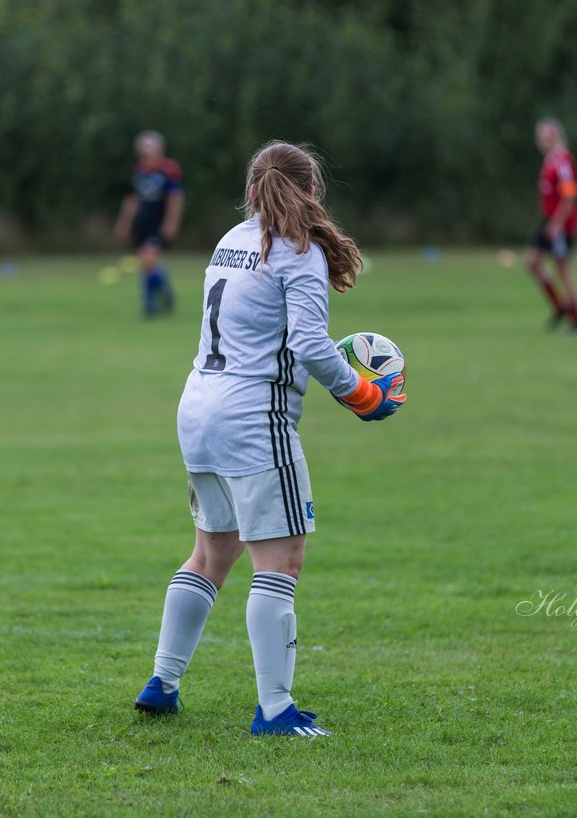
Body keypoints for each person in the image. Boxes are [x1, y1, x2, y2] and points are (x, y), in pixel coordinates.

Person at [132, 141, 406, 737]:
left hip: (199, 408)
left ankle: (162, 683)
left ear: (253, 189)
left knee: (211, 553)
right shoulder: (298, 251)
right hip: (253, 418)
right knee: (281, 561)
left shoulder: (231, 239)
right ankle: (276, 712)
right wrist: (362, 395)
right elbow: (310, 346)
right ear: (312, 192)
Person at [114, 131, 183, 317]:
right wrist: (124, 224)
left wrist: (171, 222)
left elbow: (175, 198)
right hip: (141, 223)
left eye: (150, 147)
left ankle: (150, 305)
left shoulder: (169, 170)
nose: (146, 151)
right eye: (143, 147)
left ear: (159, 149)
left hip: (158, 222)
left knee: (149, 259)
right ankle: (165, 291)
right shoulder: (137, 171)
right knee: (147, 264)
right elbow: (131, 200)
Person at [526, 117, 577, 332]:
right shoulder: (550, 161)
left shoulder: (563, 161)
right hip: (548, 220)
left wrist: (558, 223)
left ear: (558, 136)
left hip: (561, 222)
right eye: (541, 137)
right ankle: (559, 307)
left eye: (548, 136)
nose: (544, 141)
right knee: (532, 262)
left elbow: (570, 194)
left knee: (562, 268)